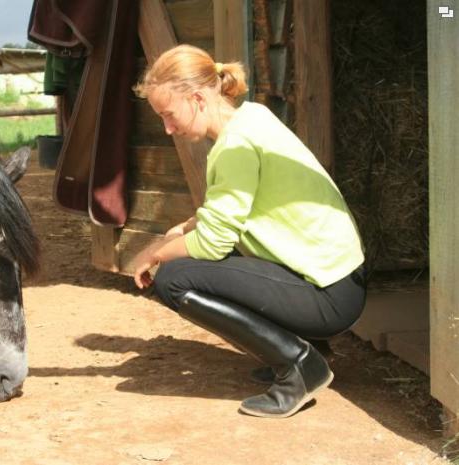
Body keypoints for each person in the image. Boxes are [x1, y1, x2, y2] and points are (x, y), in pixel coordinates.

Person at [132, 45, 366, 418]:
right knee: (203, 256)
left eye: (169, 115)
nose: (167, 128)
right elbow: (234, 211)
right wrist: (182, 227)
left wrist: (155, 252)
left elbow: (213, 241)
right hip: (340, 282)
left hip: (328, 297)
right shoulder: (251, 118)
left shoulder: (235, 146)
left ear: (195, 98)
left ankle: (300, 364)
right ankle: (309, 348)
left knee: (173, 278)